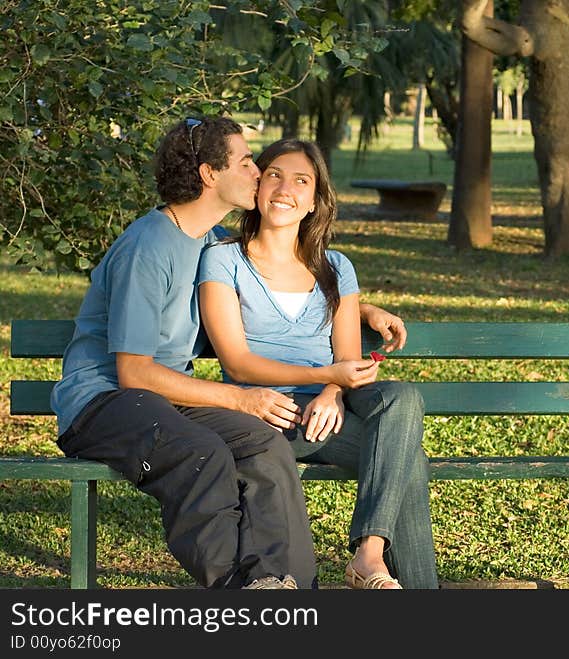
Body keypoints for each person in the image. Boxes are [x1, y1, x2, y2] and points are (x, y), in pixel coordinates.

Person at [50, 116, 408, 590]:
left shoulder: (210, 241)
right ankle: (238, 588)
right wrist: (239, 398)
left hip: (166, 397)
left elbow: (280, 273)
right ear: (209, 175)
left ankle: (292, 588)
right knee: (204, 452)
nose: (258, 173)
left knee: (263, 443)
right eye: (245, 162)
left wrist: (360, 307)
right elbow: (133, 373)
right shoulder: (149, 246)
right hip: (105, 403)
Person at [197, 138, 438, 589]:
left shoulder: (336, 267)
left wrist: (332, 392)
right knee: (409, 463)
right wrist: (326, 376)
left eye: (301, 181)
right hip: (267, 417)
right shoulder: (223, 259)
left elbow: (347, 359)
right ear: (256, 185)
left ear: (314, 201)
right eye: (274, 175)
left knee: (402, 398)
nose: (286, 189)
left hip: (325, 417)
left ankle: (369, 552)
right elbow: (239, 363)